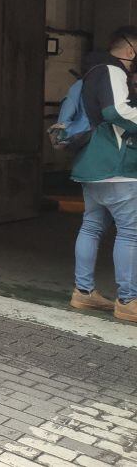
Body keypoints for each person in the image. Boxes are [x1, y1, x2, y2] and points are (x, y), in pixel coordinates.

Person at [69, 26, 137, 324]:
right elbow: (116, 111)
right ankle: (128, 300)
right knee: (130, 232)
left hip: (91, 163)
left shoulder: (91, 71)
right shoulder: (113, 70)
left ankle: (83, 293)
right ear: (130, 50)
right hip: (115, 164)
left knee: (92, 226)